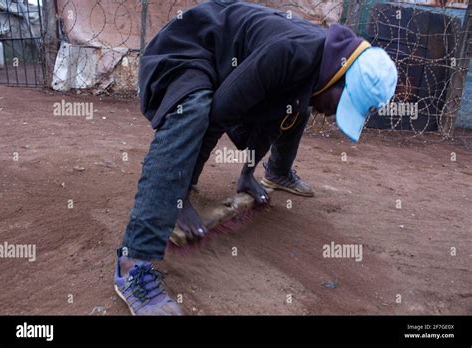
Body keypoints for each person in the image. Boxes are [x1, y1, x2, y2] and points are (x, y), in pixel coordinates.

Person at [114, 0, 398, 315]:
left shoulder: (317, 66)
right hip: (182, 52)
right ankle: (132, 265)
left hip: (225, 66)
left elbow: (272, 114)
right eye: (341, 104)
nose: (333, 114)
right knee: (194, 111)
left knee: (298, 108)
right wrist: (179, 197)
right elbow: (217, 117)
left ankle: (275, 173)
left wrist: (248, 173)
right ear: (339, 75)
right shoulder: (291, 53)